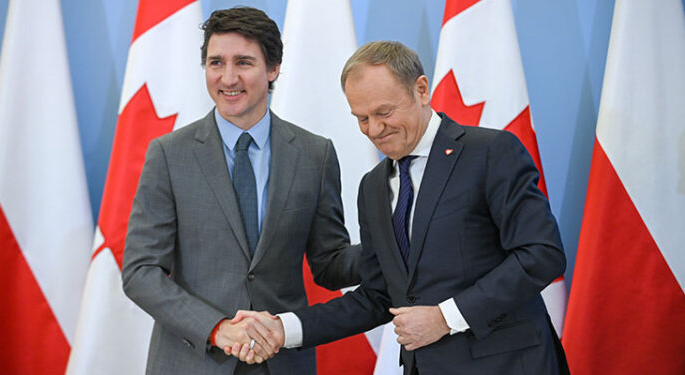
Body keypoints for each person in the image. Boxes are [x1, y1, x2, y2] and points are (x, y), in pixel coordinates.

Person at [230, 41, 570, 375]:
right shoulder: (374, 186)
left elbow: (541, 254)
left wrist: (445, 318)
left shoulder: (490, 152)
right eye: (361, 118)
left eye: (384, 112)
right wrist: (283, 328)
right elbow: (378, 296)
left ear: (421, 90)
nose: (374, 130)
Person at [121, 7, 361, 375]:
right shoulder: (169, 155)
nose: (228, 78)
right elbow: (140, 271)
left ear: (273, 69)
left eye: (244, 62)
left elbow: (329, 264)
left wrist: (393, 240)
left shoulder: (315, 155)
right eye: (216, 62)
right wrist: (218, 329)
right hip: (194, 361)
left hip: (282, 362)